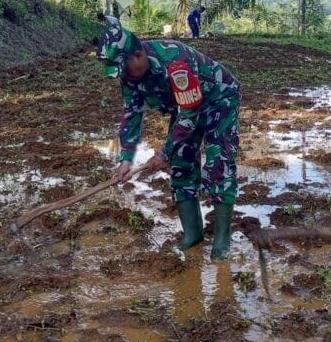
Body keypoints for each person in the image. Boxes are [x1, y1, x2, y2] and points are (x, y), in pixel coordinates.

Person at [95, 16, 240, 260]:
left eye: (124, 68)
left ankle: (222, 241)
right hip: (184, 106)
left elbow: (189, 115)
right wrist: (126, 159)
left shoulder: (176, 62)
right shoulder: (129, 76)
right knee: (181, 164)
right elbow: (132, 113)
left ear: (138, 55)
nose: (123, 76)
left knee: (219, 163)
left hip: (218, 100)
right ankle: (193, 234)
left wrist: (164, 154)